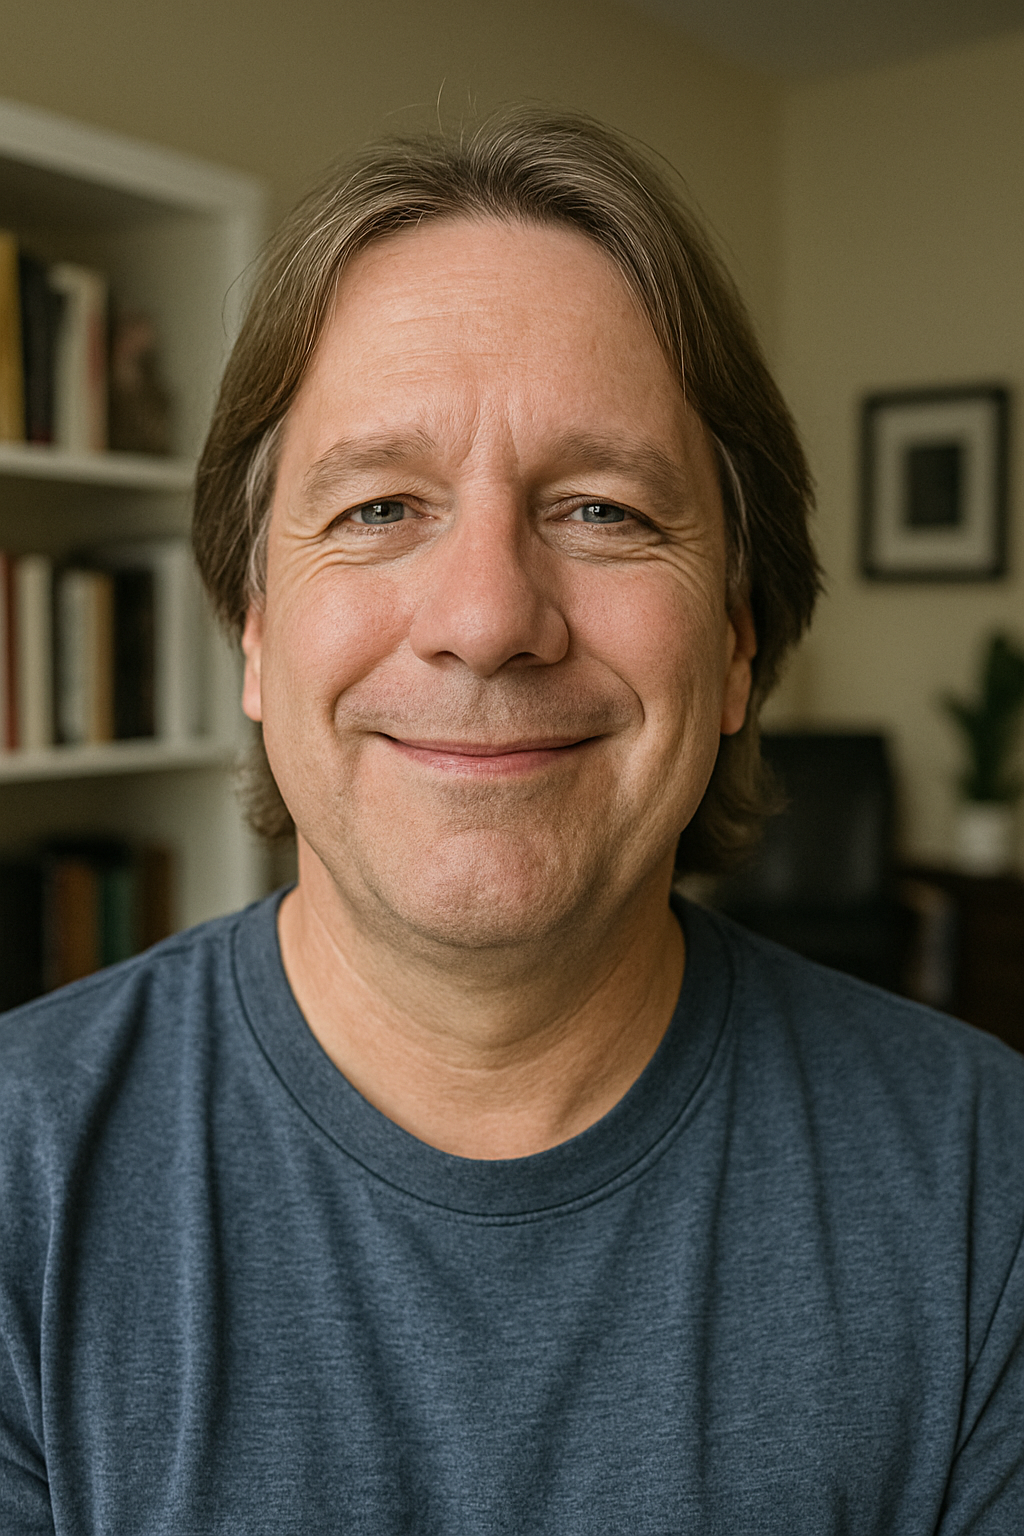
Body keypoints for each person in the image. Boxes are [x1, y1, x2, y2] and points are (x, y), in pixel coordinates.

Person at [1, 109, 1022, 1534]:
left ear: (734, 646)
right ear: (251, 631)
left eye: (602, 509)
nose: (486, 619)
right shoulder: (17, 1182)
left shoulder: (991, 1188)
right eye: (377, 508)